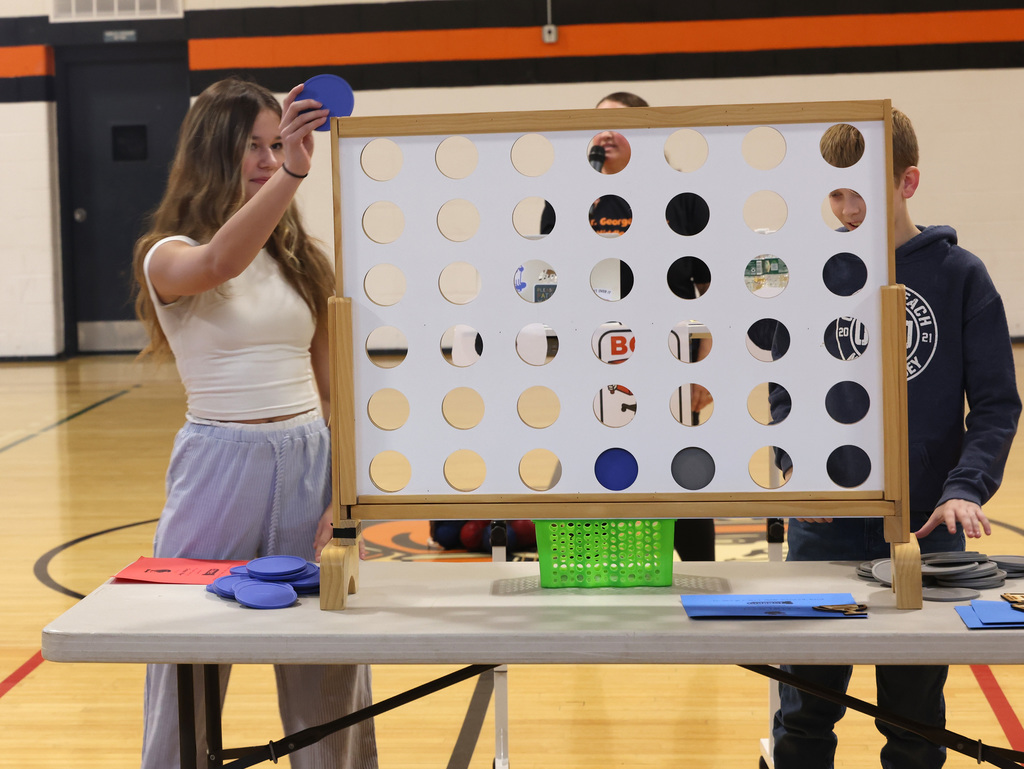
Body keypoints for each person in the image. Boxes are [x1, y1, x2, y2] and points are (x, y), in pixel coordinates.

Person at [131, 77, 378, 769]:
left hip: (307, 460)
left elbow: (338, 396)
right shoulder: (167, 253)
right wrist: (299, 168)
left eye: (281, 145)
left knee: (330, 672)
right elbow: (218, 263)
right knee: (187, 661)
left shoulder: (302, 259)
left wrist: (340, 497)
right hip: (218, 466)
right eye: (256, 147)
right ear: (214, 150)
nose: (273, 160)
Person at [772, 109, 1021, 768]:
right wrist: (796, 473)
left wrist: (966, 488)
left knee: (914, 728)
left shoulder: (961, 276)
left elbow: (995, 404)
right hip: (823, 532)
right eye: (836, 193)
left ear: (908, 181)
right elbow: (780, 398)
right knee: (803, 718)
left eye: (863, 191)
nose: (848, 209)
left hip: (923, 533)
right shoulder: (811, 275)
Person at [595, 91, 717, 563]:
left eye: (617, 126)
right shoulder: (567, 199)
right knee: (607, 473)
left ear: (646, 135)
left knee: (682, 478)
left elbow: (711, 291)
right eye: (596, 125)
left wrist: (704, 368)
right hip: (600, 364)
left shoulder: (684, 197)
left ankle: (699, 581)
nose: (604, 135)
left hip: (671, 366)